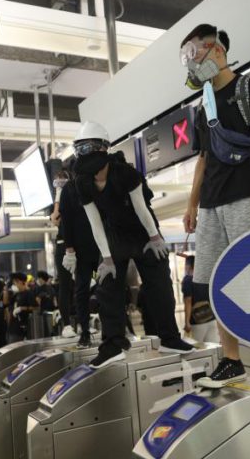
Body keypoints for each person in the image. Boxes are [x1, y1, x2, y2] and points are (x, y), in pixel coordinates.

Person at [176, 24, 250, 389]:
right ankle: (231, 360)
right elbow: (202, 158)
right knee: (215, 285)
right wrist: (192, 204)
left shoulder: (249, 87)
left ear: (217, 51)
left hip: (249, 196)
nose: (190, 63)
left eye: (193, 53)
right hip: (212, 205)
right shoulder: (203, 104)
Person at [72, 120, 194, 368]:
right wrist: (106, 257)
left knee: (158, 283)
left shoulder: (125, 173)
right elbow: (95, 222)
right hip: (115, 234)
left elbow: (141, 208)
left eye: (88, 147)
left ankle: (170, 337)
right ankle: (113, 344)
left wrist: (155, 237)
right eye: (79, 148)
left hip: (144, 232)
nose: (83, 154)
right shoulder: (82, 182)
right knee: (107, 286)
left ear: (103, 148)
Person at [59, 166, 101, 349]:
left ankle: (113, 330)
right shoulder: (69, 189)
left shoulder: (96, 183)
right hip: (83, 249)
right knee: (82, 290)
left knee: (106, 287)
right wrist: (69, 249)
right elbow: (65, 221)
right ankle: (84, 331)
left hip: (100, 247)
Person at [51, 170, 79, 340]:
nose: (60, 183)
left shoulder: (76, 196)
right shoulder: (56, 202)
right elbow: (56, 218)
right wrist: (58, 195)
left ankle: (83, 322)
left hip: (79, 246)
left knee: (85, 282)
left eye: (62, 181)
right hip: (63, 247)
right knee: (65, 285)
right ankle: (67, 325)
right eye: (57, 182)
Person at [181, 255, 218, 343]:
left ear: (188, 266)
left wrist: (187, 322)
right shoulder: (206, 278)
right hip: (212, 318)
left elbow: (188, 301)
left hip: (197, 321)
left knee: (197, 351)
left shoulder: (188, 280)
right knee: (213, 348)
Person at [10, 272, 37, 341]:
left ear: (20, 281)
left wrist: (22, 308)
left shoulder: (28, 293)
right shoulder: (16, 294)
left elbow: (36, 307)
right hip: (13, 328)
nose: (14, 285)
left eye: (15, 282)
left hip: (23, 328)